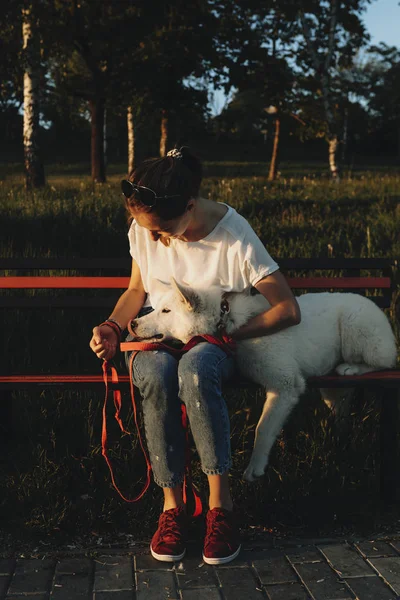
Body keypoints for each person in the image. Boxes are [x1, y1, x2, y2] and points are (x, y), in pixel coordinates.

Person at [89, 146, 301, 565]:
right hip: (161, 331)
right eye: (147, 230)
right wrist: (112, 327)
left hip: (214, 341)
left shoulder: (234, 235)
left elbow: (287, 310)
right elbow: (137, 290)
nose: (154, 238)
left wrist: (227, 330)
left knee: (197, 369)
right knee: (151, 369)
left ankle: (220, 508)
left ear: (189, 206)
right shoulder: (145, 226)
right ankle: (172, 507)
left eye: (162, 231)